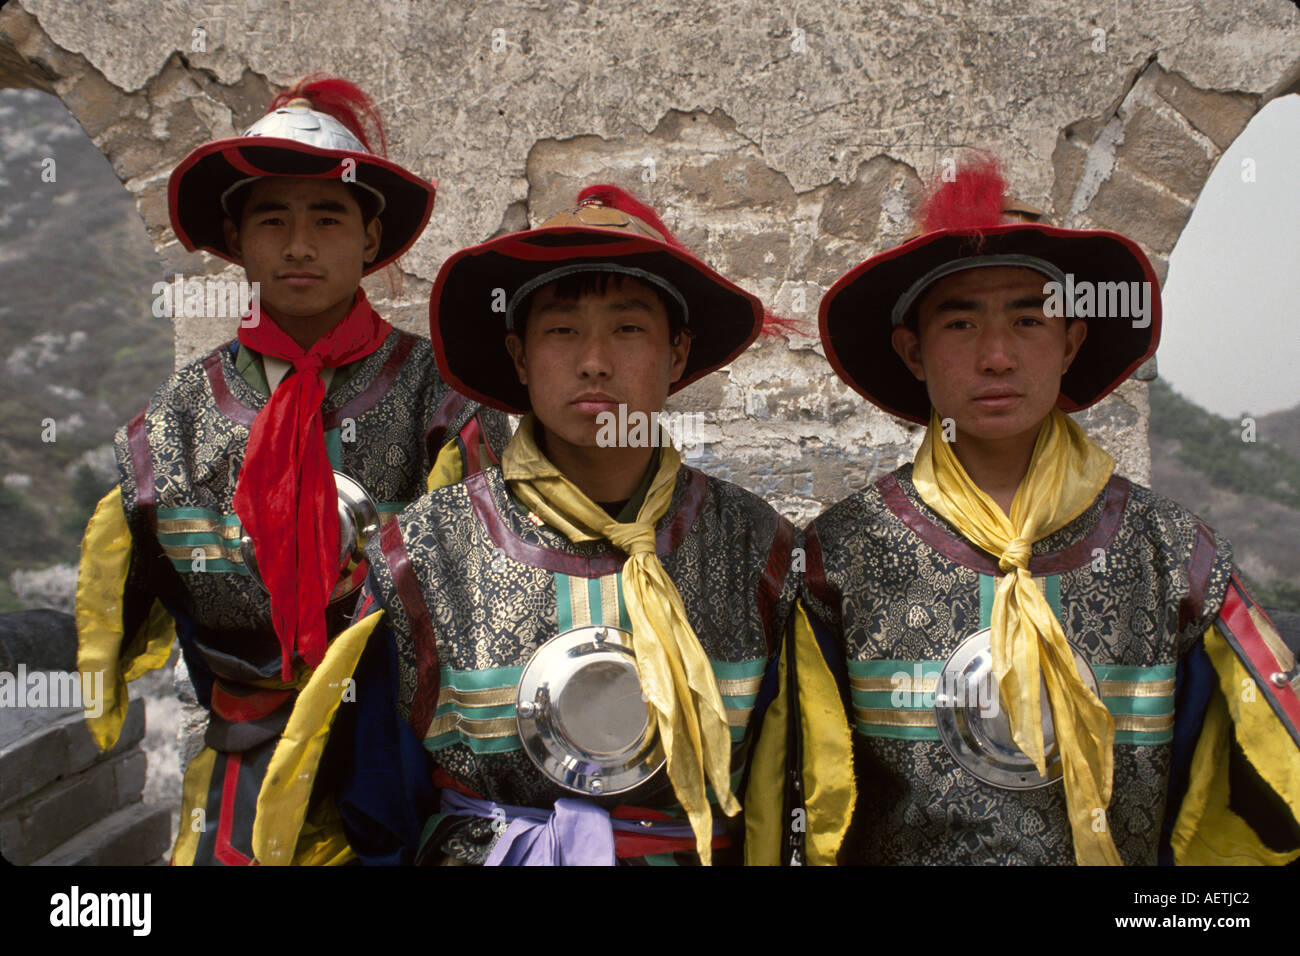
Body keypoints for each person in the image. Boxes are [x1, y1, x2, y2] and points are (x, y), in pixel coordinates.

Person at [287, 184, 819, 865]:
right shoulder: (425, 550)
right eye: (562, 330)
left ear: (677, 354)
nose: (594, 361)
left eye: (628, 329)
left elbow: (789, 787)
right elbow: (376, 805)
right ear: (518, 356)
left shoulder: (757, 548)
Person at [805, 154, 1300, 865]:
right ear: (913, 351)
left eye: (1030, 320)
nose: (998, 356)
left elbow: (1239, 801)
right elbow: (800, 799)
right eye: (960, 324)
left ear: (1071, 342)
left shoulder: (1171, 556)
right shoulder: (840, 558)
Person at [74, 75, 509, 866]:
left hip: (406, 769)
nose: (300, 245)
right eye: (272, 219)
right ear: (237, 239)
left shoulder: (442, 400)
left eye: (327, 218)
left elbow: (488, 591)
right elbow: (147, 580)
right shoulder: (178, 416)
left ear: (371, 239)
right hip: (245, 764)